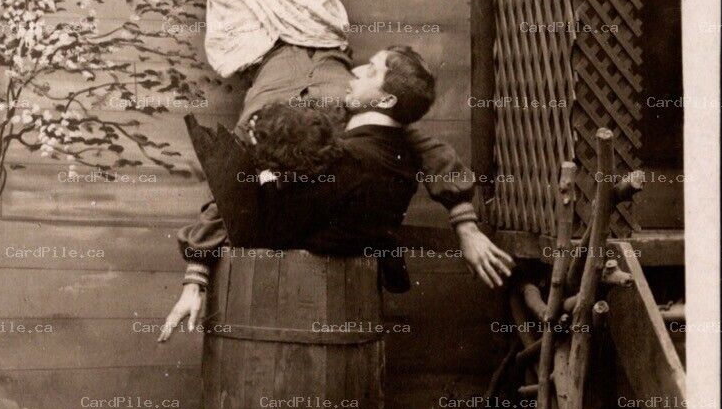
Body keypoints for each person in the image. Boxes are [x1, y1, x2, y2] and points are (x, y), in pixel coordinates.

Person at [159, 46, 514, 341]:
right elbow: (426, 147)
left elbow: (238, 198)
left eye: (371, 71)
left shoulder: (350, 157)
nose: (358, 72)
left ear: (387, 99)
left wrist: (197, 273)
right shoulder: (388, 137)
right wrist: (465, 223)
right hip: (322, 54)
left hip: (275, 58)